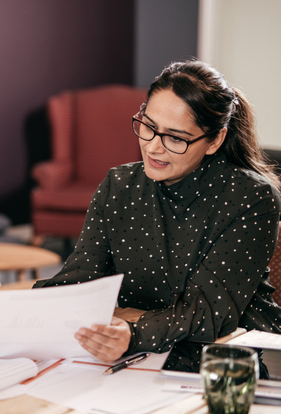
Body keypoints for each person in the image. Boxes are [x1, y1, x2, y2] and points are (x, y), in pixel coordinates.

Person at [30, 60, 281, 363]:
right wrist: (15, 312)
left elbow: (208, 312)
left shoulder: (250, 197)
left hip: (218, 361)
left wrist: (134, 334)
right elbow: (81, 277)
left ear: (215, 140)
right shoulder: (118, 185)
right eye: (148, 126)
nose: (152, 147)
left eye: (175, 138)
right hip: (130, 350)